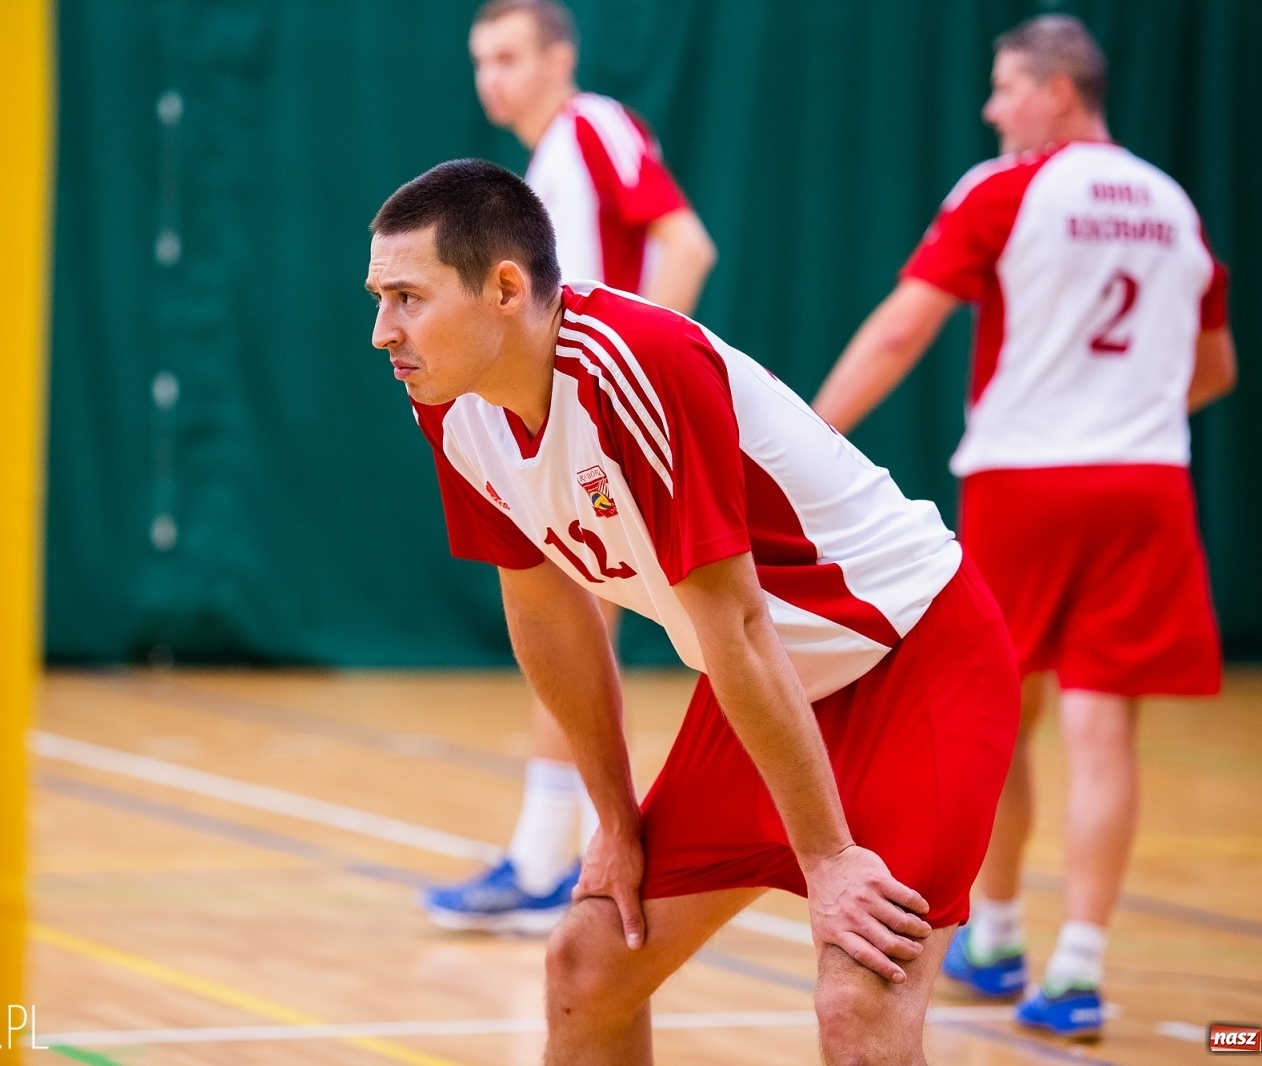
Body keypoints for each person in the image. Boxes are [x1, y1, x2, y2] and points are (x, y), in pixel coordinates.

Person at [368, 158, 1018, 1065]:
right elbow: (548, 611)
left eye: (406, 297)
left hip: (915, 657)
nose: (381, 332)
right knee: (589, 965)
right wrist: (615, 819)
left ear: (505, 290)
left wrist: (829, 857)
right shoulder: (451, 402)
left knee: (857, 1002)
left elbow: (742, 627)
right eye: (378, 298)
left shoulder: (636, 366)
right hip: (769, 685)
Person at [811, 14, 1237, 1041]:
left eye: (1006, 88)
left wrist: (810, 438)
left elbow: (904, 325)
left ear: (1056, 90)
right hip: (1143, 485)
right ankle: (1077, 967)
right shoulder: (1172, 207)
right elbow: (1214, 371)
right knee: (1102, 730)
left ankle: (993, 932)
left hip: (1025, 481)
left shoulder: (1006, 189)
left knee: (998, 712)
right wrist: (1119, 411)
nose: (992, 109)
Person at [422, 0, 717, 933]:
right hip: (573, 419)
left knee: (578, 625)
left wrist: (633, 380)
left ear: (561, 55)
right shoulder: (547, 159)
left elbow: (686, 241)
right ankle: (567, 854)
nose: (491, 78)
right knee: (573, 630)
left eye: (508, 55)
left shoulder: (595, 127)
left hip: (602, 422)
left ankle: (556, 861)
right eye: (480, 61)